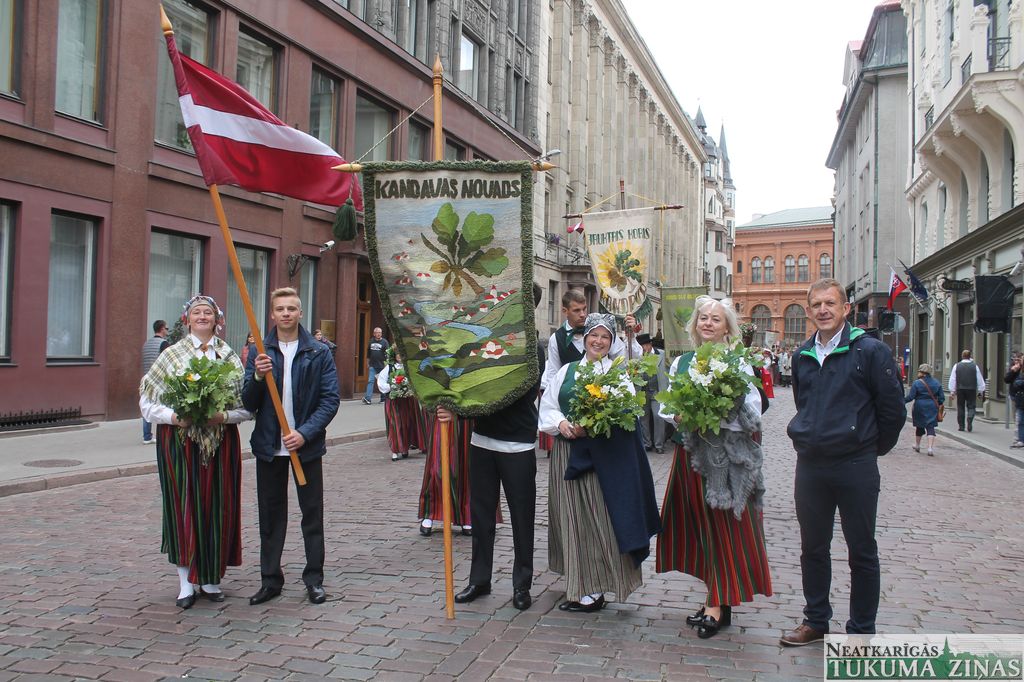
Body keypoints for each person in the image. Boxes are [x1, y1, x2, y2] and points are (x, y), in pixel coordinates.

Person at [781, 278, 906, 646]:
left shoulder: (869, 351)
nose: (823, 310)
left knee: (861, 550)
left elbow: (893, 410)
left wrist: (867, 448)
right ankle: (816, 620)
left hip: (855, 465)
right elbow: (804, 403)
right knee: (813, 548)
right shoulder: (802, 355)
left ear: (846, 309)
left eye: (830, 303)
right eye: (817, 305)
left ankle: (861, 632)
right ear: (809, 311)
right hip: (812, 466)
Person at [656, 296, 772, 638]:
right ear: (695, 324)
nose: (708, 323)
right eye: (703, 318)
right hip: (690, 455)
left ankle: (717, 604)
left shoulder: (738, 363)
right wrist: (679, 416)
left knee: (723, 528)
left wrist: (717, 417)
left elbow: (753, 411)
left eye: (715, 319)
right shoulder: (682, 362)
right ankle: (716, 597)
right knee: (701, 527)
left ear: (727, 328)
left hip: (725, 460)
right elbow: (668, 405)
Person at [539, 313, 661, 613]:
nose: (598, 341)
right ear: (585, 339)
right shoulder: (566, 371)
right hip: (567, 454)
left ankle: (596, 587)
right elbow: (548, 406)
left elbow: (626, 415)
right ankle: (581, 585)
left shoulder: (618, 375)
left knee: (599, 520)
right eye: (594, 335)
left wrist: (592, 426)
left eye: (605, 336)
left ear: (612, 342)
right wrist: (562, 423)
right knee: (572, 519)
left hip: (602, 459)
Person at [438, 285, 545, 611]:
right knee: (481, 515)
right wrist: (451, 403)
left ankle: (522, 584)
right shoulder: (484, 343)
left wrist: (471, 406)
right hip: (482, 440)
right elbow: (466, 381)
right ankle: (479, 579)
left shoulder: (533, 349)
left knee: (521, 517)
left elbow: (515, 393)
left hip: (517, 443)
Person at [139, 296, 250, 609]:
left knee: (217, 506)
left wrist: (223, 416)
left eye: (208, 312)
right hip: (179, 441)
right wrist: (175, 417)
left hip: (220, 442)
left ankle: (211, 579)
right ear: (186, 319)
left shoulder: (229, 356)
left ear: (217, 320)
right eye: (197, 312)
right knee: (183, 506)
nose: (202, 316)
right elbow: (147, 404)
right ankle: (186, 583)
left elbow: (246, 408)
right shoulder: (170, 355)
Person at [242, 287, 340, 606]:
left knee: (312, 514)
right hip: (269, 448)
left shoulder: (318, 352)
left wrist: (305, 433)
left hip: (305, 449)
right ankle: (270, 580)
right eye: (280, 309)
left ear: (300, 313)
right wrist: (258, 377)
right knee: (271, 517)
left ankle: (314, 579)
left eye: (291, 308)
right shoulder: (260, 350)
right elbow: (248, 403)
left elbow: (330, 399)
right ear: (272, 314)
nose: (286, 313)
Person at [540, 289, 642, 392]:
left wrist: (631, 337)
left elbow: (628, 361)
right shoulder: (556, 339)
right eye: (577, 310)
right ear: (565, 311)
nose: (582, 314)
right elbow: (552, 375)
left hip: (603, 394)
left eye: (584, 309)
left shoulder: (601, 330)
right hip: (570, 395)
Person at [377, 347, 420, 461]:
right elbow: (381, 382)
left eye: (401, 354)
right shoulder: (389, 367)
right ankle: (395, 451)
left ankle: (404, 448)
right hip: (393, 401)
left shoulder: (408, 367)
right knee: (394, 424)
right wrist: (393, 386)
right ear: (394, 355)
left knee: (406, 424)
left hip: (406, 401)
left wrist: (407, 387)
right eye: (398, 354)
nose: (400, 356)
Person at [636, 333, 667, 454]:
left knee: (658, 416)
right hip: (643, 391)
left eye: (644, 345)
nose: (643, 348)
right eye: (640, 346)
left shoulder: (662, 354)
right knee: (643, 418)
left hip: (657, 391)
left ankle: (659, 445)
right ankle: (647, 443)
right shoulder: (637, 356)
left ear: (649, 344)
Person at [140, 319, 170, 444]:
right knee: (162, 406)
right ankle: (163, 434)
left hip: (146, 378)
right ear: (162, 329)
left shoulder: (147, 344)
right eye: (167, 328)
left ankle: (147, 436)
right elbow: (168, 362)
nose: (167, 331)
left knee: (147, 405)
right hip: (159, 380)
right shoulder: (164, 344)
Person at [905, 363, 944, 456]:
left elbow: (911, 397)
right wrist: (937, 404)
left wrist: (901, 401)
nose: (918, 373)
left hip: (919, 406)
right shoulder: (937, 382)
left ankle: (917, 445)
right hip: (932, 406)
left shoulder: (917, 383)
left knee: (919, 426)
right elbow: (942, 398)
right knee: (930, 427)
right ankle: (930, 448)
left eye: (919, 371)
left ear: (923, 373)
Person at [948, 349, 986, 432]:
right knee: (971, 406)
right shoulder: (975, 366)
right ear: (970, 356)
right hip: (971, 389)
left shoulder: (957, 366)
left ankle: (961, 426)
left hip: (960, 389)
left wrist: (952, 391)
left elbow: (953, 379)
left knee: (960, 407)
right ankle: (970, 418)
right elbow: (979, 379)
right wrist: (980, 391)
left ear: (962, 356)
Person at [363, 327, 389, 404]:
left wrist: (387, 364)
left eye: (380, 332)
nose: (379, 334)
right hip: (373, 365)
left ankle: (383, 398)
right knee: (370, 381)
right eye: (377, 332)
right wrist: (367, 362)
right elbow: (368, 353)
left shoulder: (384, 342)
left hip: (382, 366)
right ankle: (368, 398)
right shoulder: (371, 341)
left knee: (382, 382)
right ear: (374, 334)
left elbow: (388, 354)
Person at [1004, 352, 1024, 448]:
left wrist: (1018, 383)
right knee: (1017, 419)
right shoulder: (1014, 368)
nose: (1016, 362)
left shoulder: (1022, 370)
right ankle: (1018, 438)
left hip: (1020, 396)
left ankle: (1019, 439)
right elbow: (1006, 379)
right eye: (1015, 360)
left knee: (1019, 419)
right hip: (1014, 396)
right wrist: (1012, 371)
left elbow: (1019, 383)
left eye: (1018, 360)